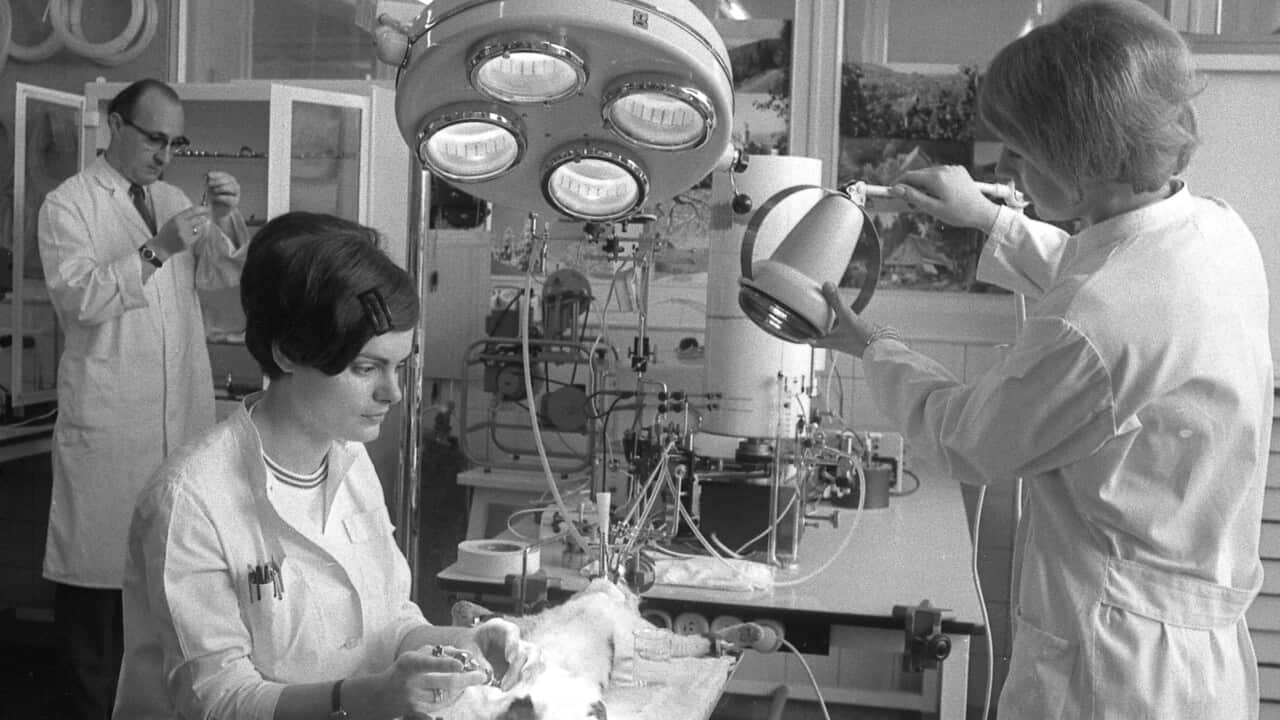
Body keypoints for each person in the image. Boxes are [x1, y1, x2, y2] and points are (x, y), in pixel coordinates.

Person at [814, 2, 1271, 718]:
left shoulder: (1101, 321)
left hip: (1113, 669)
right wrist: (989, 217)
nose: (1007, 169)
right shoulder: (1213, 232)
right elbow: (1105, 280)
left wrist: (869, 345)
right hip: (1197, 659)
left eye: (1022, 152)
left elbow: (972, 438)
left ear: (1083, 157)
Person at [113, 211, 537, 719]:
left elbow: (389, 623)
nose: (393, 392)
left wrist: (459, 644)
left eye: (398, 365)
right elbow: (220, 701)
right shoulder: (191, 500)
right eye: (366, 368)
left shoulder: (348, 459)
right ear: (289, 353)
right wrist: (362, 699)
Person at [37, 77, 249, 719]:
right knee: (99, 605)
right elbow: (81, 297)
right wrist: (156, 249)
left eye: (174, 141)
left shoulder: (172, 197)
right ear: (115, 124)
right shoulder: (68, 205)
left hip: (176, 416)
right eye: (154, 138)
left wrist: (223, 220)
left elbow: (218, 277)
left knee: (168, 600)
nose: (164, 153)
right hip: (109, 421)